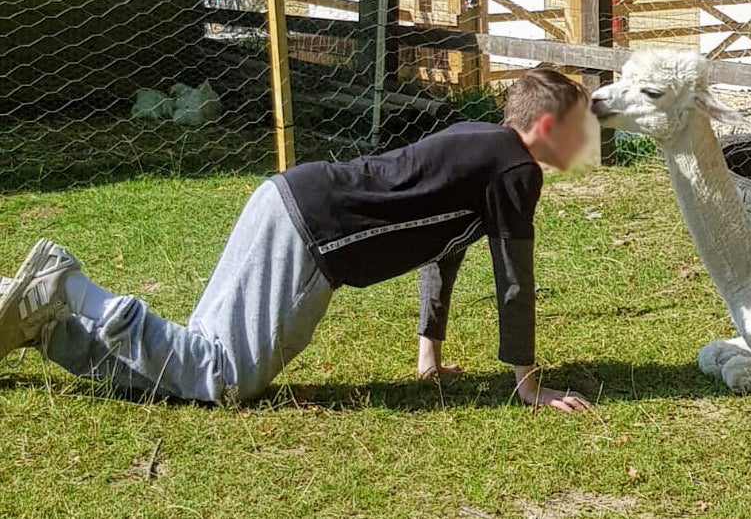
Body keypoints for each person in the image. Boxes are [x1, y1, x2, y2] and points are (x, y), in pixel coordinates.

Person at [0, 68, 593, 413]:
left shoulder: (481, 141)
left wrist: (428, 353)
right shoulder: (516, 168)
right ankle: (70, 286)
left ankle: (46, 324)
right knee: (223, 375)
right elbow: (514, 279)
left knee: (183, 366)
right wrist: (528, 385)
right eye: (578, 127)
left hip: (286, 197)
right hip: (314, 236)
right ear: (545, 126)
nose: (584, 140)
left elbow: (442, 248)